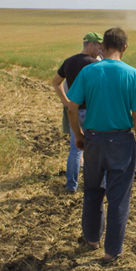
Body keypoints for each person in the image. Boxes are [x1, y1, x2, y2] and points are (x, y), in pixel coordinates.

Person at [66, 28, 136, 263]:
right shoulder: (131, 74)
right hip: (121, 141)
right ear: (124, 47)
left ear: (103, 47)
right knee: (118, 197)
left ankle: (92, 239)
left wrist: (79, 135)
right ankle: (111, 250)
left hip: (93, 139)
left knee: (92, 191)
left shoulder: (88, 71)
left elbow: (72, 107)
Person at [52, 32, 103, 192]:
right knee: (95, 149)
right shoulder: (95, 64)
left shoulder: (69, 62)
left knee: (75, 150)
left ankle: (71, 185)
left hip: (74, 111)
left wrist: (66, 101)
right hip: (92, 112)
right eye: (98, 46)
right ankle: (94, 185)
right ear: (90, 45)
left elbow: (56, 82)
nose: (100, 49)